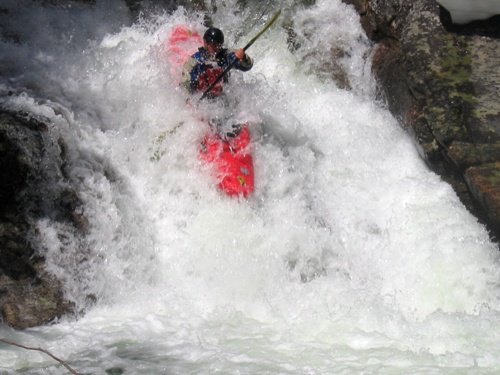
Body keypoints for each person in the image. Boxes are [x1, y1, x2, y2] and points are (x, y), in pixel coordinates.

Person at [181, 27, 253, 99]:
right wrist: (189, 100)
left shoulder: (227, 55)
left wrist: (243, 57)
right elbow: (185, 84)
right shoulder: (195, 61)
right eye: (213, 44)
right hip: (203, 100)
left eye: (218, 45)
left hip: (222, 98)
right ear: (205, 43)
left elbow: (247, 66)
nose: (216, 47)